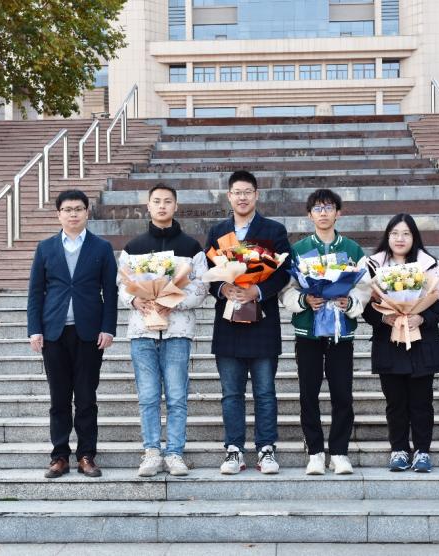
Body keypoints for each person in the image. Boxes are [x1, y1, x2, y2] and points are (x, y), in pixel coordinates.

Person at [27, 189, 118, 479]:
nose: (73, 214)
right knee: (59, 398)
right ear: (59, 214)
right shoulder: (46, 248)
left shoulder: (101, 248)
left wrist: (108, 328)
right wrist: (34, 330)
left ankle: (86, 455)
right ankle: (59, 456)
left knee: (86, 397)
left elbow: (111, 292)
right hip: (54, 333)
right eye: (67, 209)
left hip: (89, 333)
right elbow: (35, 292)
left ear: (87, 212)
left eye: (78, 209)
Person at [205, 170, 291, 475]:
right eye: (237, 192)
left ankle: (266, 449)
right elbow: (207, 272)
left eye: (247, 192)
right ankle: (234, 449)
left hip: (262, 322)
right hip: (228, 322)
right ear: (229, 196)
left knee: (265, 391)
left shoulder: (273, 230)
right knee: (231, 393)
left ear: (256, 195)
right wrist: (222, 288)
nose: (242, 197)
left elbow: (284, 271)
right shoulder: (218, 231)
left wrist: (258, 290)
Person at [118, 184, 207, 477]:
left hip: (177, 332)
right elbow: (122, 285)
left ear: (176, 206)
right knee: (148, 396)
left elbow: (201, 287)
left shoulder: (191, 247)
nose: (162, 206)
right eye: (156, 201)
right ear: (148, 206)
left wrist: (173, 302)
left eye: (168, 201)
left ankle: (175, 452)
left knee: (177, 396)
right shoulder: (133, 247)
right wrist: (135, 300)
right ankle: (152, 452)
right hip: (142, 331)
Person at [281, 189, 370, 475]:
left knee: (342, 393)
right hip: (308, 330)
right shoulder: (300, 249)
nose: (323, 213)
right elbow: (287, 289)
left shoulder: (353, 249)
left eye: (329, 207)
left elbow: (364, 287)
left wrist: (350, 302)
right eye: (317, 208)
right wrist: (304, 300)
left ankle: (340, 452)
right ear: (309, 215)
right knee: (308, 393)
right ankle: (315, 452)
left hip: (341, 332)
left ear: (338, 213)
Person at [362, 213, 439, 473]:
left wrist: (422, 317)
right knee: (395, 402)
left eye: (406, 234)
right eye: (394, 233)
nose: (399, 239)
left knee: (422, 402)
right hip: (389, 342)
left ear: (414, 237)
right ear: (387, 237)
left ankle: (422, 451)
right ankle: (399, 450)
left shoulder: (428, 265)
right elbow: (365, 304)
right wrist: (384, 318)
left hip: (421, 342)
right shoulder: (373, 266)